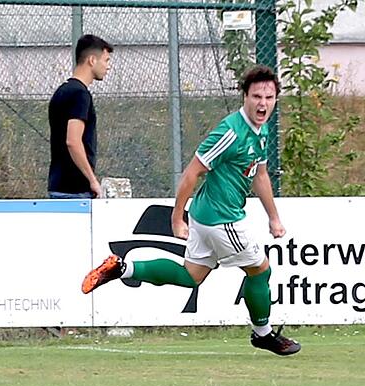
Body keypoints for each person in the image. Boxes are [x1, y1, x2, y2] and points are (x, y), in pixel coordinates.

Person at [81, 65, 301, 356]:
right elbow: (191, 174)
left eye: (269, 97)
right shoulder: (231, 132)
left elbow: (260, 175)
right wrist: (176, 217)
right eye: (257, 96)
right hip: (221, 219)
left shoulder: (260, 131)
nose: (263, 103)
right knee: (260, 271)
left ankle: (122, 268)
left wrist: (274, 218)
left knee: (191, 276)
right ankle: (263, 334)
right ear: (244, 97)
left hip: (207, 216)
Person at [47, 34, 113, 199]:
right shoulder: (80, 95)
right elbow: (73, 141)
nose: (108, 66)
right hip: (74, 190)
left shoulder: (61, 92)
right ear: (92, 60)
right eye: (106, 60)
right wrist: (92, 180)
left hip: (57, 185)